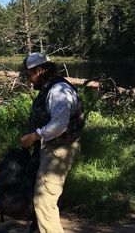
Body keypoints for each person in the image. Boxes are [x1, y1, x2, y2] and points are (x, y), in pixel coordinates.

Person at [19, 52, 85, 233]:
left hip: (58, 152)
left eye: (29, 75)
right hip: (54, 148)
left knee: (44, 202)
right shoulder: (51, 88)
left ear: (40, 71)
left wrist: (33, 136)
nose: (29, 79)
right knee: (42, 196)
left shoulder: (58, 91)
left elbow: (59, 125)